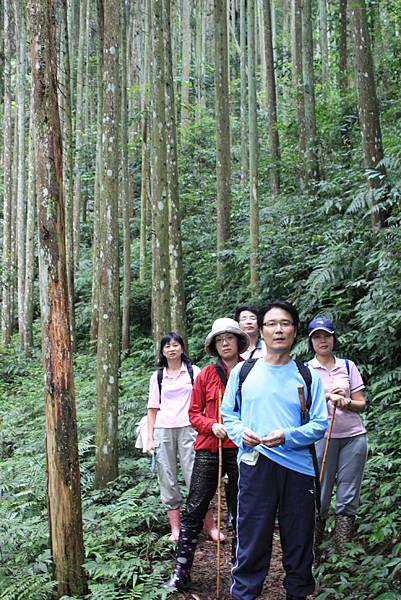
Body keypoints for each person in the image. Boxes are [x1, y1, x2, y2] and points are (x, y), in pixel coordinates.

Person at [221, 300, 328, 600]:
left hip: (299, 470)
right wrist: (243, 434)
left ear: (294, 331)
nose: (278, 330)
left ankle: (297, 594)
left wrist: (288, 436)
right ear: (261, 330)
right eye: (271, 324)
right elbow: (229, 414)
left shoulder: (308, 376)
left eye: (285, 324)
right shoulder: (244, 371)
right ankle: (244, 594)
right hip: (256, 465)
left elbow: (319, 424)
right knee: (252, 540)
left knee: (298, 542)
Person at [164, 318, 250, 591]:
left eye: (230, 338)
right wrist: (211, 425)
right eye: (220, 340)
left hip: (242, 449)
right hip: (209, 448)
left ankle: (241, 571)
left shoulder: (252, 372)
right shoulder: (206, 375)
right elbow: (194, 413)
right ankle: (182, 571)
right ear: (214, 345)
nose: (225, 343)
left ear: (238, 341)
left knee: (241, 510)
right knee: (195, 506)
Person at [307, 316, 367, 557]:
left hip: (353, 435)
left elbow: (361, 403)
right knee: (320, 493)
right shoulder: (306, 370)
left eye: (327, 336)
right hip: (322, 437)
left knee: (348, 494)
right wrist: (326, 397)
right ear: (311, 341)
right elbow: (301, 408)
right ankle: (313, 551)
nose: (323, 341)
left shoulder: (348, 366)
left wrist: (346, 401)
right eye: (317, 337)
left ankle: (343, 552)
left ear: (333, 338)